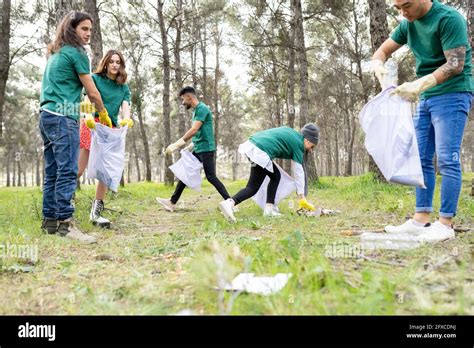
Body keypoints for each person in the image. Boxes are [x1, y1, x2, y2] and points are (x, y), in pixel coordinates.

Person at [371, 0, 473, 242]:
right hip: (426, 97)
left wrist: (420, 83)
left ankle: (445, 224)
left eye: (406, 5)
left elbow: (456, 64)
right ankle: (421, 219)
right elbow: (382, 51)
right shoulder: (408, 24)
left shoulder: (449, 19)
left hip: (453, 92)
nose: (402, 12)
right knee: (421, 158)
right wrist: (377, 63)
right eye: (397, 8)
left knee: (447, 158)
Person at [39, 11, 113, 243]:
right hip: (63, 117)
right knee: (68, 170)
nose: (88, 33)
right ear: (71, 29)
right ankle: (65, 224)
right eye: (84, 29)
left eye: (90, 29)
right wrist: (103, 113)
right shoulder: (77, 53)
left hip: (46, 116)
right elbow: (92, 91)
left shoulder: (56, 53)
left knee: (53, 170)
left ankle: (50, 221)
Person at [77, 49, 134, 227]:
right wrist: (87, 118)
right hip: (92, 123)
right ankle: (61, 206)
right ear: (106, 63)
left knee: (104, 172)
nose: (115, 65)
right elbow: (87, 100)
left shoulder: (123, 87)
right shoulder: (95, 79)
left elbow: (125, 106)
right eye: (112, 62)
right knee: (78, 169)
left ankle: (96, 212)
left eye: (118, 62)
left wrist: (126, 119)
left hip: (109, 128)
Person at [218, 124, 319, 223]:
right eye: (312, 146)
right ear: (307, 140)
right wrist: (302, 198)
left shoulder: (292, 134)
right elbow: (298, 172)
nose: (310, 150)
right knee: (254, 187)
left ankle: (268, 210)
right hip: (260, 152)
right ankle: (230, 203)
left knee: (274, 177)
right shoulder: (299, 144)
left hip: (253, 146)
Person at [156, 86, 231, 211]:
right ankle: (172, 202)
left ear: (189, 97)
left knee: (211, 177)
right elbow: (199, 132)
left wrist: (178, 144)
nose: (183, 102)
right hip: (199, 147)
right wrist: (192, 145)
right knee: (186, 173)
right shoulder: (196, 110)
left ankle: (231, 202)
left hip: (206, 148)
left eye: (183, 99)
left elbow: (194, 129)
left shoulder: (202, 109)